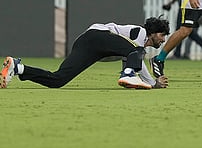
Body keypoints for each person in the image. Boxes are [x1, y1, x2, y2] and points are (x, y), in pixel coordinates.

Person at [1, 16, 170, 90]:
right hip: (98, 35)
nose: (163, 40)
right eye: (162, 35)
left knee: (58, 80)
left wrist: (135, 80)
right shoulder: (140, 33)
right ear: (153, 33)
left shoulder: (132, 52)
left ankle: (18, 68)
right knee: (137, 52)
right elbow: (138, 59)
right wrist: (153, 83)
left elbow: (134, 61)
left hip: (86, 43)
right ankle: (127, 74)